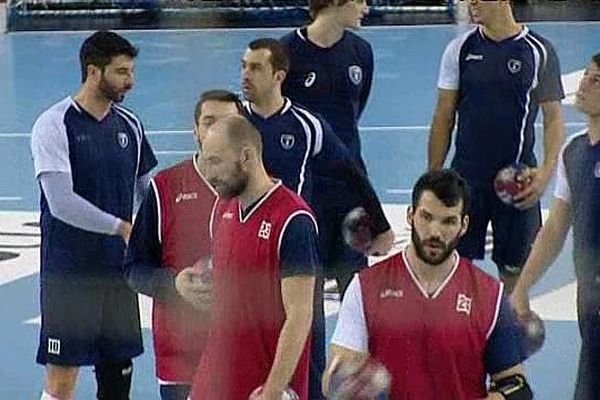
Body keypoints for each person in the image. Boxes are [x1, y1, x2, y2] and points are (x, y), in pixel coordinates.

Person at [241, 37, 394, 399]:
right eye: (244, 66)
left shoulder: (306, 126)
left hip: (296, 254)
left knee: (308, 347)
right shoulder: (232, 124)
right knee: (245, 349)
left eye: (255, 67)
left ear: (279, 75)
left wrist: (381, 224)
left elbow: (348, 170)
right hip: (245, 254)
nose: (245, 74)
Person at [324, 169, 532, 400]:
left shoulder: (489, 295)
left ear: (463, 225)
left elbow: (516, 386)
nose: (435, 232)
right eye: (426, 217)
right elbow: (336, 373)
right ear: (410, 215)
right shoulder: (365, 287)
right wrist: (344, 382)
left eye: (448, 221)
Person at [30, 31, 157, 400]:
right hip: (69, 275)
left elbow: (147, 191)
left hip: (120, 273)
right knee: (62, 381)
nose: (130, 81)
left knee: (118, 376)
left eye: (131, 71)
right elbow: (60, 201)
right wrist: (120, 227)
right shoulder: (54, 124)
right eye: (121, 72)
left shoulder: (130, 125)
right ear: (92, 72)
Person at [428, 0, 564, 292]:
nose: (471, 3)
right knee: (453, 273)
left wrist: (545, 172)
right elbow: (443, 115)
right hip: (465, 181)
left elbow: (553, 118)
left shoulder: (539, 51)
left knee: (515, 275)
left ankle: (507, 335)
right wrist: (433, 177)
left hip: (517, 183)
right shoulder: (460, 50)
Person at [188, 115, 319, 400]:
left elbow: (300, 315)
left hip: (264, 388)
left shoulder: (293, 220)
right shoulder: (222, 209)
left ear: (245, 156)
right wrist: (190, 281)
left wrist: (272, 391)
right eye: (203, 161)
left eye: (215, 162)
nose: (207, 174)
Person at [123, 90, 241, 400]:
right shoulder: (165, 187)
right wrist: (175, 284)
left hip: (245, 349)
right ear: (195, 130)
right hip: (182, 356)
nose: (217, 131)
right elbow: (134, 269)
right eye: (209, 122)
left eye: (228, 123)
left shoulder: (261, 189)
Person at [511, 53, 600, 400]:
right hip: (589, 301)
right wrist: (522, 288)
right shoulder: (574, 150)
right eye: (587, 76)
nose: (583, 85)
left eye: (596, 80)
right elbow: (554, 230)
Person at [281, 0, 374, 301]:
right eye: (360, 0)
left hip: (350, 191)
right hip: (305, 192)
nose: (367, 8)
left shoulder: (361, 52)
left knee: (356, 292)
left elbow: (354, 114)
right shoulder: (286, 52)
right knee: (306, 295)